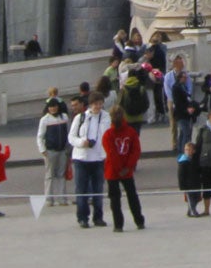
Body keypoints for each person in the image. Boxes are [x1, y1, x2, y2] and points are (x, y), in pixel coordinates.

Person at [70, 93, 111, 228]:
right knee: (81, 189)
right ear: (90, 104)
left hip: (99, 158)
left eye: (100, 104)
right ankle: (82, 217)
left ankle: (98, 217)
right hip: (82, 158)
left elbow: (108, 135)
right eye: (95, 104)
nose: (98, 107)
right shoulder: (80, 118)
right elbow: (71, 138)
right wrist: (82, 142)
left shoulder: (106, 117)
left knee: (98, 189)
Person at [103, 108, 145, 231]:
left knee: (115, 199)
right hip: (124, 171)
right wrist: (128, 167)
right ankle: (139, 221)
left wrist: (121, 168)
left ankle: (118, 225)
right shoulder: (131, 131)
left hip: (113, 170)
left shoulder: (108, 134)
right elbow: (135, 151)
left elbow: (111, 154)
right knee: (132, 196)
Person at [37, 97, 70, 208]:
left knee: (61, 175)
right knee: (49, 175)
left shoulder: (64, 117)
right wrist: (43, 150)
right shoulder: (45, 120)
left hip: (62, 150)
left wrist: (68, 148)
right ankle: (49, 199)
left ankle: (62, 198)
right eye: (51, 107)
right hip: (50, 151)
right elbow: (40, 136)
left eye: (55, 106)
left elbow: (68, 132)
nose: (53, 108)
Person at [167, 58, 198, 153]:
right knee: (186, 132)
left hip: (185, 113)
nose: (186, 79)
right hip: (181, 113)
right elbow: (178, 102)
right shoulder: (176, 87)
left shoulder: (182, 86)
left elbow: (188, 95)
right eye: (184, 77)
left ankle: (181, 150)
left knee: (182, 133)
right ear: (180, 78)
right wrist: (186, 109)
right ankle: (184, 150)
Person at [178, 141, 203, 216]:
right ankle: (193, 211)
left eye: (189, 150)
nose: (187, 151)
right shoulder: (183, 161)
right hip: (188, 184)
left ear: (194, 151)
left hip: (196, 183)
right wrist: (182, 185)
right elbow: (181, 175)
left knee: (197, 198)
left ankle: (190, 210)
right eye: (186, 150)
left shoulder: (195, 160)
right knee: (191, 198)